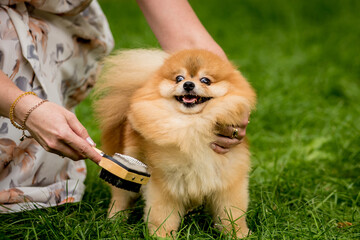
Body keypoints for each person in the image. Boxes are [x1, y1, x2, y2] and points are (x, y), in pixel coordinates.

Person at [0, 0, 248, 213]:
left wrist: (236, 106)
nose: (191, 85)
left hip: (58, 30)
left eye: (204, 81)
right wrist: (25, 109)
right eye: (180, 79)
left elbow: (189, 38)